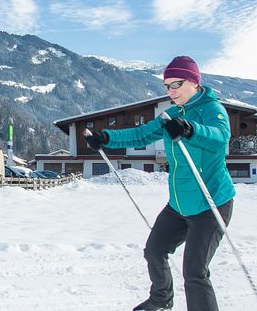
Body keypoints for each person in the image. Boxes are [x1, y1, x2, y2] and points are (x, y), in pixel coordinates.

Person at [85, 56, 235, 311]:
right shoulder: (171, 115)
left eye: (175, 84)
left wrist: (191, 129)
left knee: (195, 273)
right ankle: (161, 300)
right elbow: (141, 133)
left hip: (210, 205)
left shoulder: (213, 110)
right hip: (179, 204)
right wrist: (106, 137)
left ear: (193, 82)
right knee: (154, 251)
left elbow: (220, 138)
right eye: (166, 86)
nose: (170, 91)